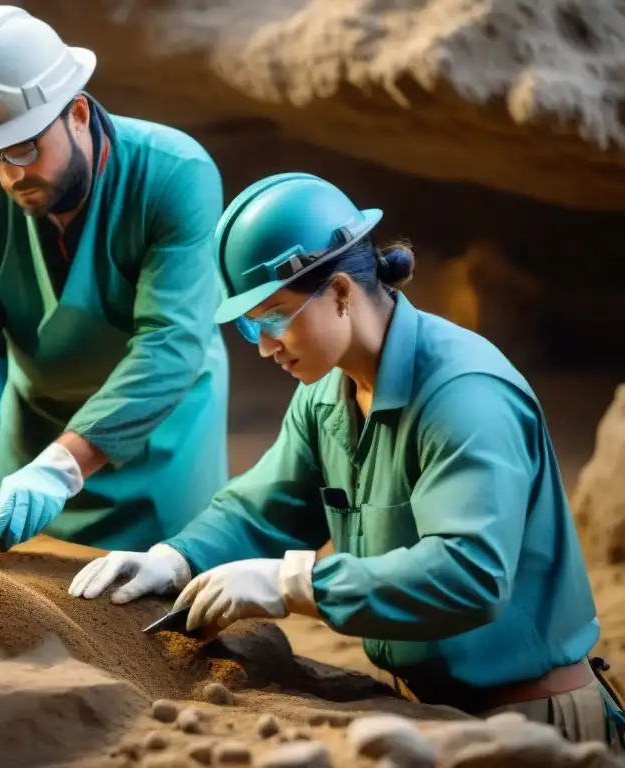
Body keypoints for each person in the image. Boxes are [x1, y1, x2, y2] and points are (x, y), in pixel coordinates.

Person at [69, 172, 624, 746]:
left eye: (274, 316)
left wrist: (296, 583)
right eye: (248, 324)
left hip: (533, 721)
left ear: (339, 292)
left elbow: (470, 575)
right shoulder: (326, 392)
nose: (263, 345)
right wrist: (176, 557)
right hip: (429, 711)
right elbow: (264, 508)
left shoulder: (465, 395)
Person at [0, 5, 229, 554]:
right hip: (33, 420)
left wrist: (62, 469)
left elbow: (170, 342)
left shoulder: (176, 175)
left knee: (165, 596)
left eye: (24, 146)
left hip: (158, 428)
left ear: (79, 115)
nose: (11, 174)